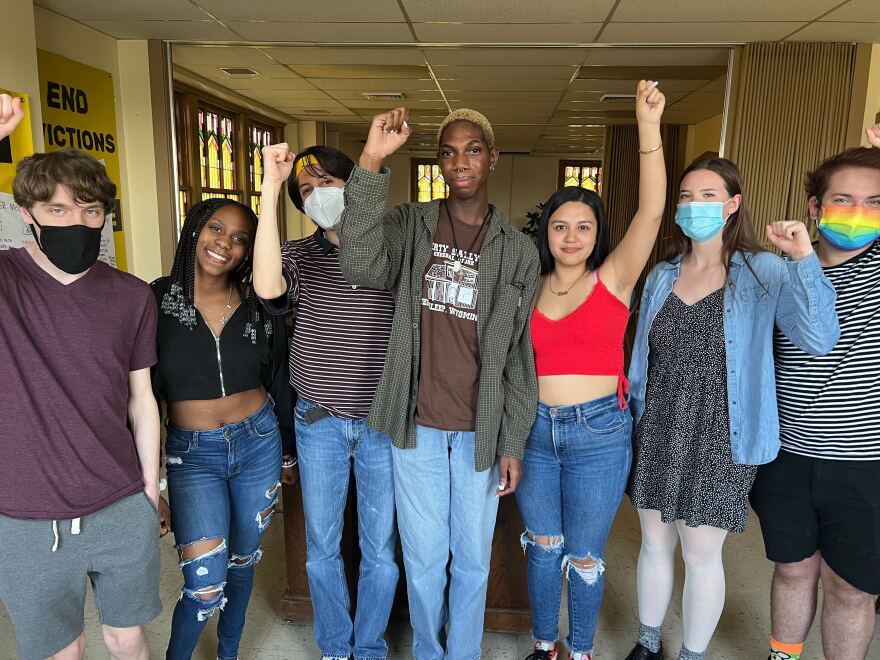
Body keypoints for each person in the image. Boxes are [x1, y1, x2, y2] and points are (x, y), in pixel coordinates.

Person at [337, 106, 540, 659]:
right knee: (424, 560)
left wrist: (512, 441)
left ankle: (464, 654)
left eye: (472, 149)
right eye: (448, 152)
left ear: (492, 157)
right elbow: (358, 262)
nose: (460, 162)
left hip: (481, 429)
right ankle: (430, 650)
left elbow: (520, 356)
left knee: (472, 560)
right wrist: (373, 160)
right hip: (418, 427)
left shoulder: (517, 250)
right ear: (439, 163)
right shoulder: (412, 225)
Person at [624, 157, 840, 660]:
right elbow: (643, 360)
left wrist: (805, 258)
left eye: (706, 195)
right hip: (658, 425)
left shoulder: (764, 270)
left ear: (733, 204)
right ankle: (647, 642)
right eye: (685, 196)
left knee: (702, 554)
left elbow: (820, 337)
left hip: (724, 432)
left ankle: (692, 655)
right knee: (654, 543)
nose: (694, 205)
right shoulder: (661, 275)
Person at [0, 93, 162, 660]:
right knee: (61, 651)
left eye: (91, 211)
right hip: (26, 511)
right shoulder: (6, 282)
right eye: (59, 211)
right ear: (27, 214)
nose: (78, 223)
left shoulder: (132, 295)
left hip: (119, 499)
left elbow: (142, 399)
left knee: (127, 639)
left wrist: (148, 489)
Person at [516, 81, 666, 660]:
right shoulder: (528, 285)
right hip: (533, 430)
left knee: (583, 553)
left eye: (583, 227)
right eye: (560, 226)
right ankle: (544, 646)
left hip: (599, 432)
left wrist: (647, 128)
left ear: (598, 233)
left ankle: (580, 651)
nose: (571, 236)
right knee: (542, 546)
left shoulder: (615, 280)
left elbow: (651, 210)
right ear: (546, 233)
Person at [252, 144, 397, 660]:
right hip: (319, 421)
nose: (319, 196)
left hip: (383, 422)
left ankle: (371, 646)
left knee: (381, 549)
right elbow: (267, 287)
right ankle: (336, 647)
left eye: (328, 183)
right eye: (307, 190)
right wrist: (271, 188)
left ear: (353, 185)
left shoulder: (389, 249)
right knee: (321, 549)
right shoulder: (297, 256)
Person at [750, 125, 880, 660]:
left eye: (874, 202)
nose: (857, 212)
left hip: (864, 461)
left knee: (851, 588)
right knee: (793, 569)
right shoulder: (780, 272)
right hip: (787, 455)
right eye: (843, 199)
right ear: (815, 206)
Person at [152, 197, 295, 660]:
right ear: (194, 230)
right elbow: (140, 397)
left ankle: (228, 653)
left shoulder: (258, 305)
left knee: (242, 562)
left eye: (240, 239)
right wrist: (150, 484)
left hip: (258, 444)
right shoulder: (155, 301)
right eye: (215, 229)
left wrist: (288, 452)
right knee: (204, 585)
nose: (225, 244)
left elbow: (278, 377)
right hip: (191, 455)